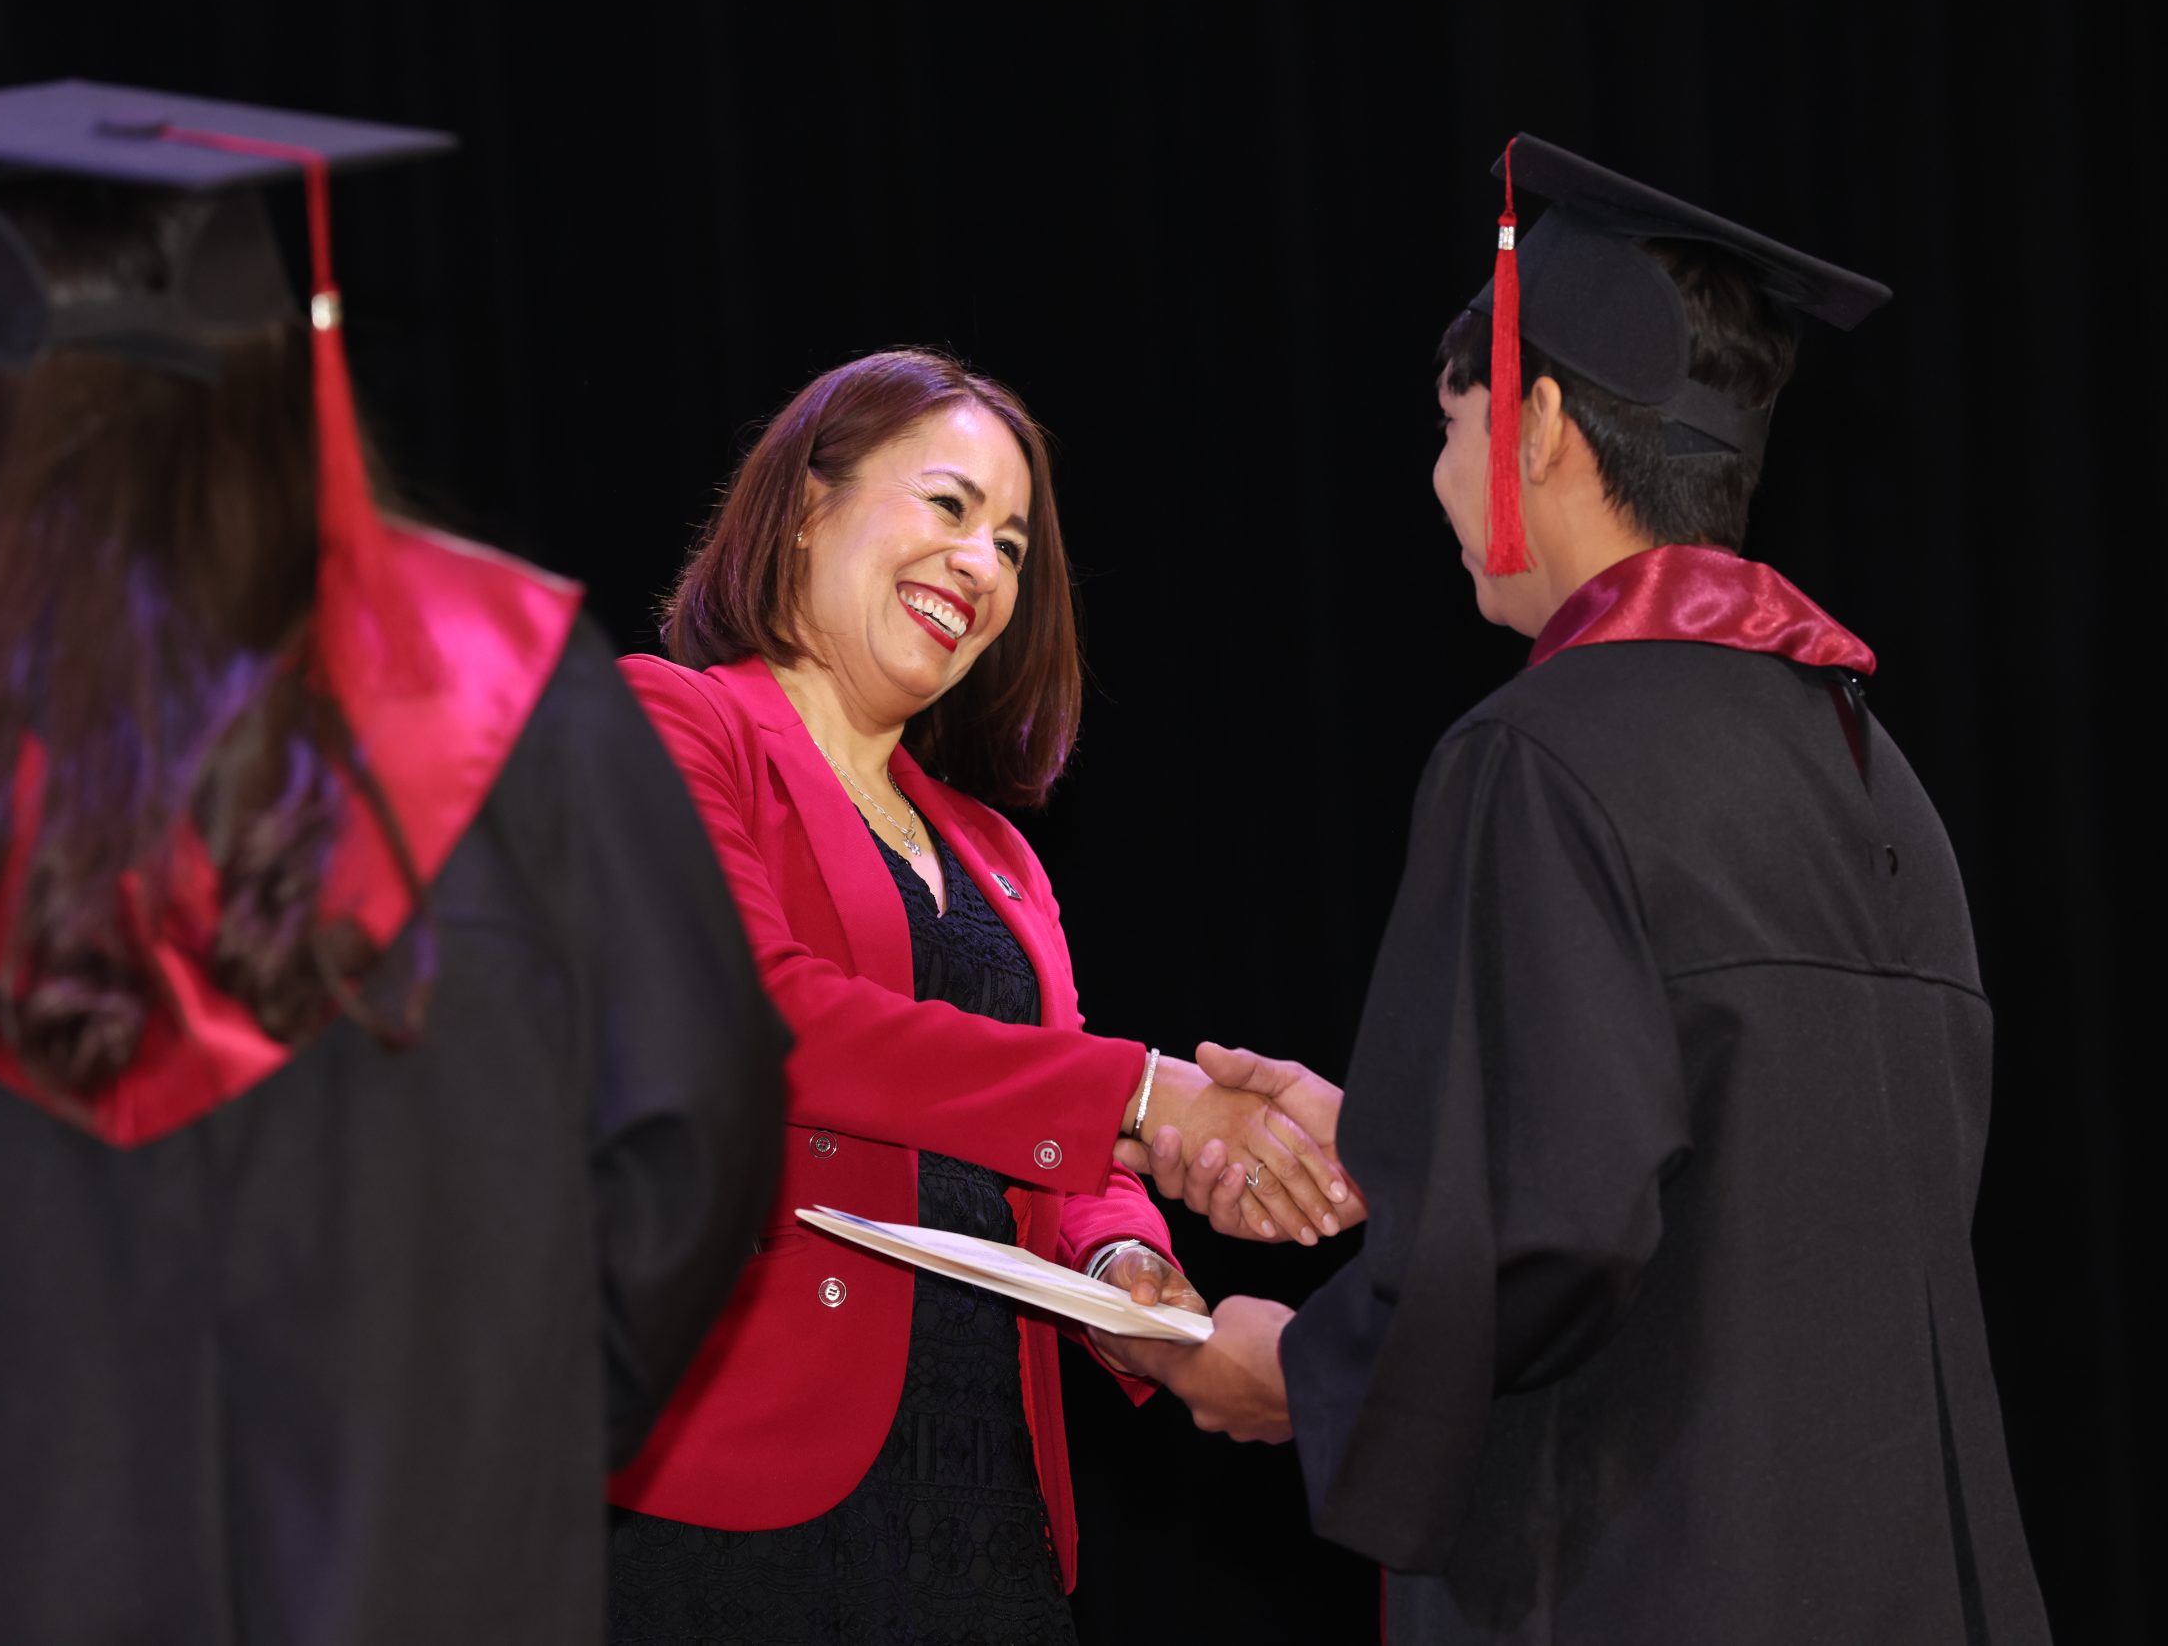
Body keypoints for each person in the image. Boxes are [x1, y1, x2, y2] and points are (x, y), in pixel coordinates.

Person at [0, 81, 787, 1646]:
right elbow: (696, 1125)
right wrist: (510, 1423)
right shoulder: (516, 686)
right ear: (283, 370)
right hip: (424, 1561)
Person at [1132, 137, 2050, 1643]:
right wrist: (1406, 1138)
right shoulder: (1877, 774)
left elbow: (1550, 1232)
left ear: (1541, 423)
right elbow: (1750, 1169)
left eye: (1453, 426)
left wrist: (1301, 1373)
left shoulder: (1540, 753)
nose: (1439, 481)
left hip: (1658, 1571)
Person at [606, 347, 1365, 1643]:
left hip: (986, 1506)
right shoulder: (677, 724)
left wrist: (1126, 1263)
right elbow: (763, 1019)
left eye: (1013, 548)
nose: (984, 567)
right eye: (950, 507)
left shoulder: (998, 855)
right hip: (738, 1488)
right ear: (808, 504)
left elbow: (1059, 1154)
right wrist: (1152, 1096)